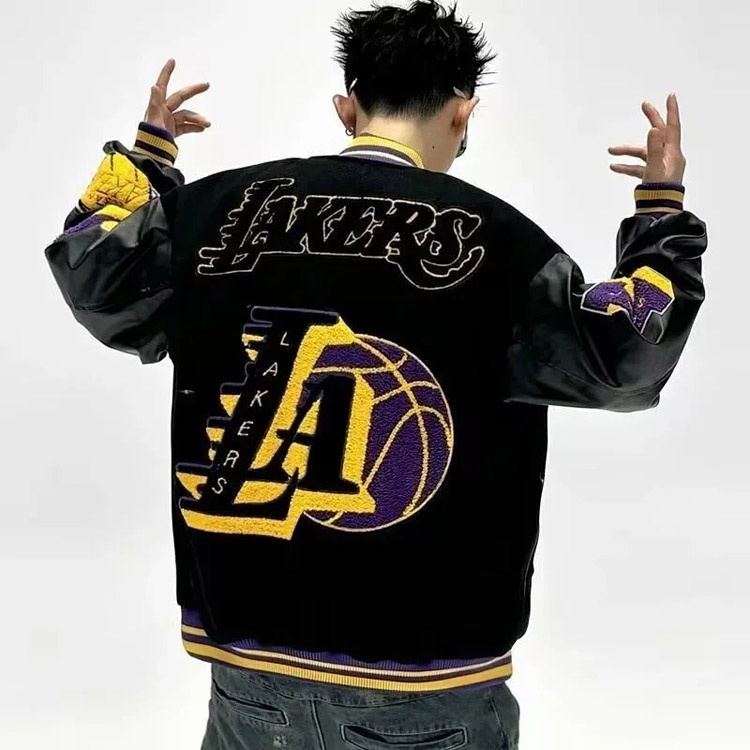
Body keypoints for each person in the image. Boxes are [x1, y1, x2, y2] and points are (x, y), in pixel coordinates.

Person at [44, 1, 706, 748]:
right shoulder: (503, 244)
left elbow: (94, 270)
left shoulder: (212, 213)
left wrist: (148, 159)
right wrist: (661, 214)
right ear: (463, 112)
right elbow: (629, 354)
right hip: (427, 687)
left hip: (249, 680)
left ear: (347, 107)